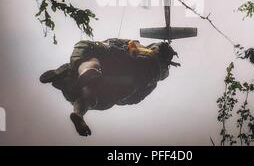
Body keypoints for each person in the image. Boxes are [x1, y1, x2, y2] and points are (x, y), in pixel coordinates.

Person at [40, 38, 179, 136]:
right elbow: (136, 99)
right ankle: (78, 113)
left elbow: (111, 44)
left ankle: (86, 70)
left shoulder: (139, 46)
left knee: (86, 48)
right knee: (91, 95)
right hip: (125, 85)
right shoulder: (155, 78)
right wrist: (118, 98)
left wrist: (108, 48)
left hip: (123, 64)